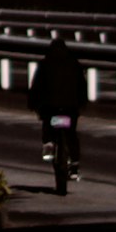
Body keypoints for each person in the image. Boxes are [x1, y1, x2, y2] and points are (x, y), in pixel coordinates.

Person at [28, 32, 88, 195]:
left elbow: (36, 88)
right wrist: (81, 104)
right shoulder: (74, 64)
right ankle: (74, 164)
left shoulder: (45, 64)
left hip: (51, 107)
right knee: (71, 135)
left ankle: (48, 145)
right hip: (70, 108)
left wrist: (33, 105)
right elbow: (82, 88)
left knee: (48, 127)